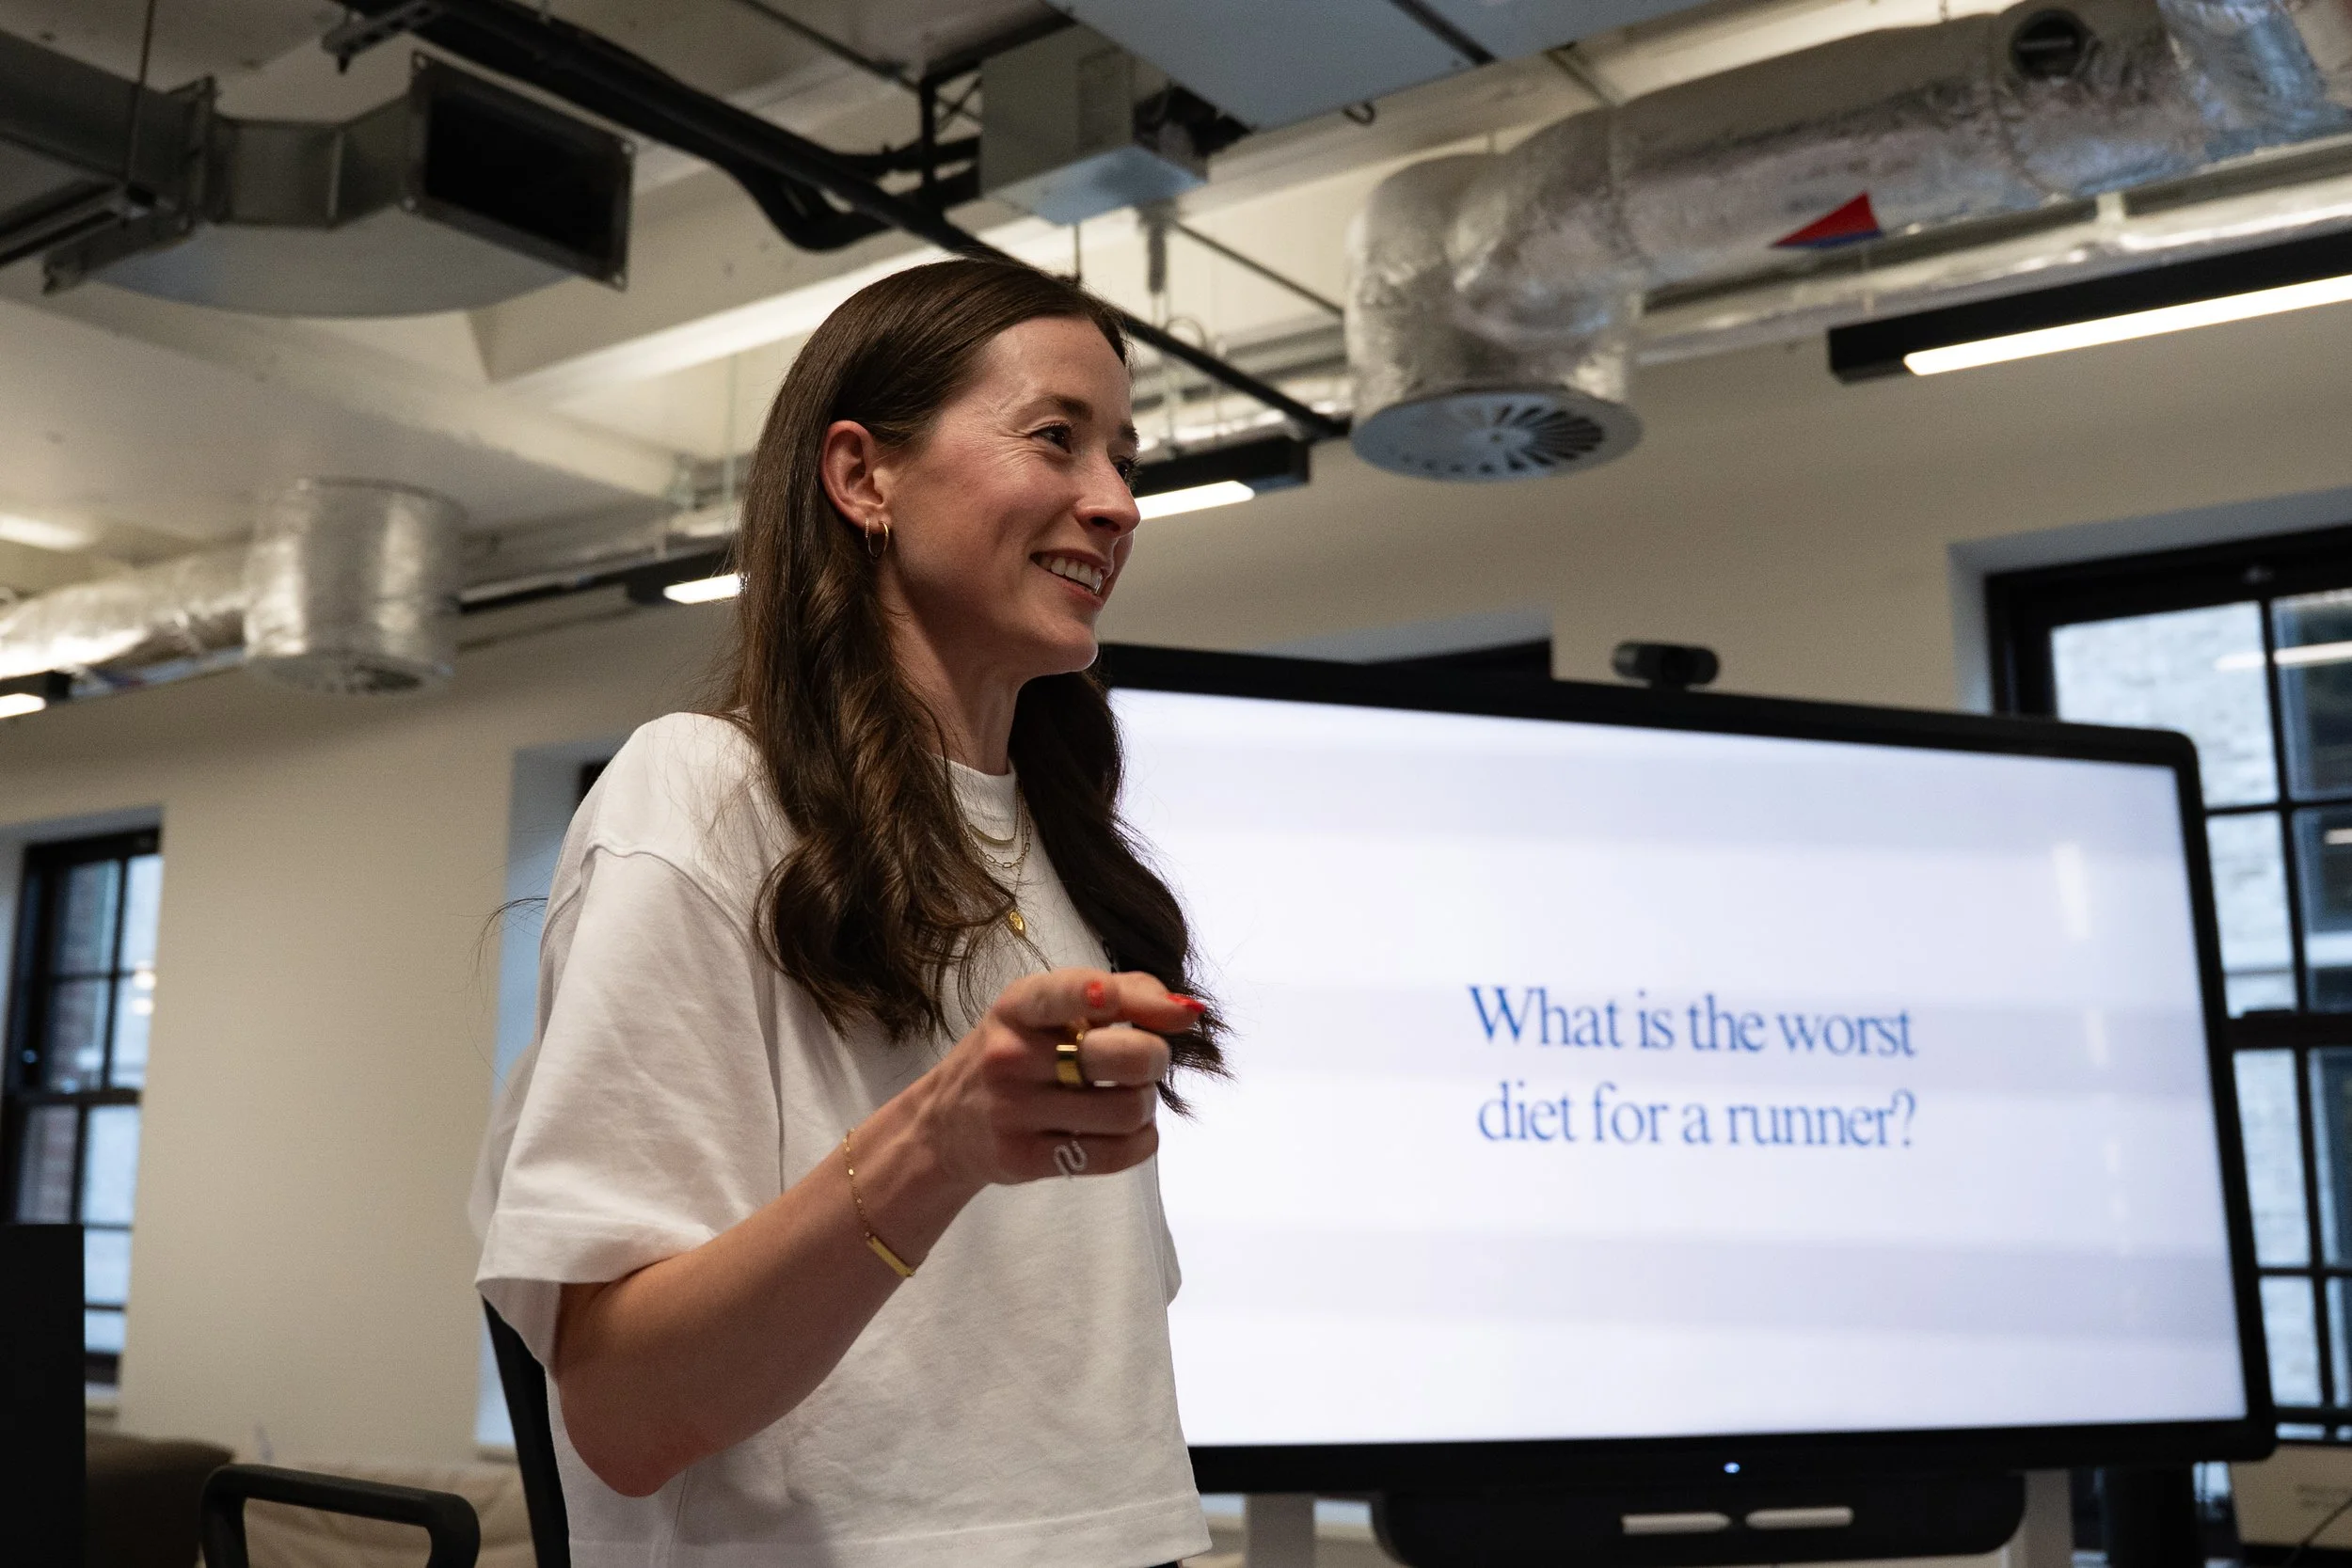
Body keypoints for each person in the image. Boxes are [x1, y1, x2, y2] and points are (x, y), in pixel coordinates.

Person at [471, 258, 1227, 1568]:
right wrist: (937, 1141)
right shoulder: (703, 794)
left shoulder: (1069, 866)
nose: (1114, 502)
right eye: (1057, 437)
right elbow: (622, 1409)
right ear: (863, 476)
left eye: (1126, 457)